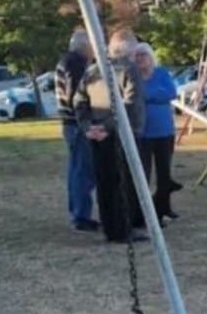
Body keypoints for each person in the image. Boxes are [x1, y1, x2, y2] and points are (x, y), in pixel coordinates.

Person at [75, 29, 147, 243]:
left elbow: (79, 101)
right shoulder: (128, 69)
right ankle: (122, 229)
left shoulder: (93, 70)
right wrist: (106, 127)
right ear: (129, 49)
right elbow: (129, 104)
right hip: (120, 133)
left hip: (97, 135)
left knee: (105, 182)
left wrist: (89, 126)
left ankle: (110, 227)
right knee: (122, 182)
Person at [134, 43, 181, 223]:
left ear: (151, 56)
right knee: (144, 173)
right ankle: (144, 210)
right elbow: (135, 95)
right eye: (137, 55)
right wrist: (155, 94)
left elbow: (170, 92)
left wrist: (148, 95)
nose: (140, 59)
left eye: (144, 55)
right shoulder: (133, 77)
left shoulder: (161, 73)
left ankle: (164, 207)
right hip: (143, 133)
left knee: (164, 173)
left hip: (164, 131)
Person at [56, 30, 98, 232]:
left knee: (77, 170)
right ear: (86, 47)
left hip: (69, 123)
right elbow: (76, 94)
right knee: (83, 171)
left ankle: (78, 213)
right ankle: (81, 215)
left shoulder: (66, 61)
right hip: (77, 124)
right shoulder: (76, 63)